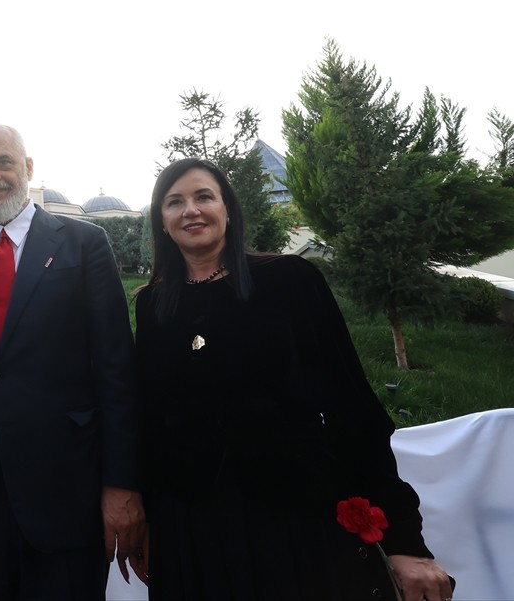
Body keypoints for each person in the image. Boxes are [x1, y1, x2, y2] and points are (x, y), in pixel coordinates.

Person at [134, 158, 454, 601]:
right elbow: (151, 421)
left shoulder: (289, 281)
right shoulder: (153, 305)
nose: (191, 210)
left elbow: (352, 405)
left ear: (228, 210)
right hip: (191, 525)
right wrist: (149, 521)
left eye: (204, 196)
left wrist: (404, 541)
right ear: (162, 223)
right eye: (175, 202)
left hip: (290, 517)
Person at [0, 124, 145, 601]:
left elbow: (116, 371)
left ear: (28, 168)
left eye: (2, 162)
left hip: (67, 492)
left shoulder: (85, 244)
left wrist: (122, 484)